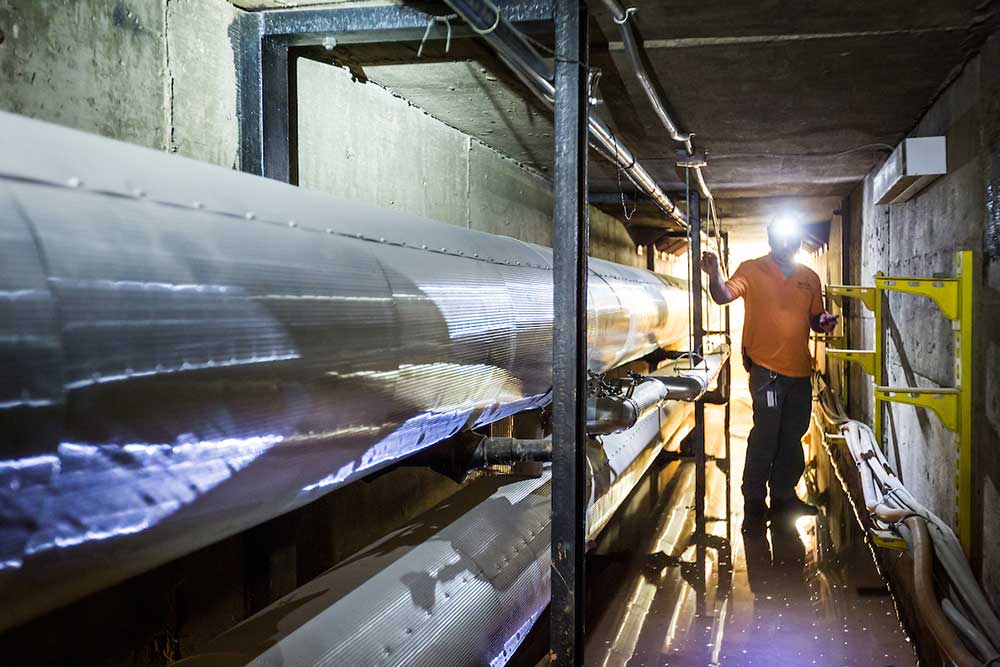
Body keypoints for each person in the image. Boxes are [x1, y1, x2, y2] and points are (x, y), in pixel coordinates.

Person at [700, 218, 838, 527]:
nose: (788, 244)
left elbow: (815, 319)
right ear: (771, 239)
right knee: (767, 433)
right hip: (768, 374)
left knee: (792, 435)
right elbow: (723, 294)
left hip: (800, 373)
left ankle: (784, 497)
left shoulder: (809, 277)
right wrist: (714, 275)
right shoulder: (751, 269)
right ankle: (753, 501)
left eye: (793, 239)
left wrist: (825, 322)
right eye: (781, 239)